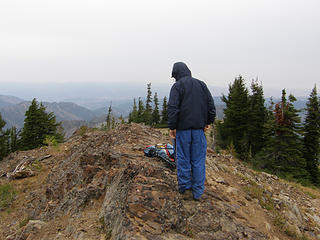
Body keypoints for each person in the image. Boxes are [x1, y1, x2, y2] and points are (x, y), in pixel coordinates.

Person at [168, 62, 216, 201]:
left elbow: (173, 108)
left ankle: (185, 189)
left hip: (183, 131)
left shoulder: (177, 86)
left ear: (176, 74)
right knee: (198, 161)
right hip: (198, 131)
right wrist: (208, 121)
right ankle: (198, 192)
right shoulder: (201, 85)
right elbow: (210, 105)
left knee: (183, 159)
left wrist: (172, 127)